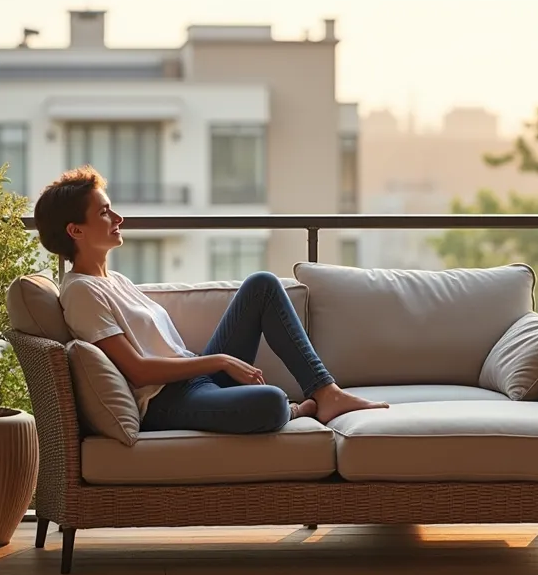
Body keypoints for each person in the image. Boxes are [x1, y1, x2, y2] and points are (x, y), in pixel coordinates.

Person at [32, 166, 388, 434]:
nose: (119, 218)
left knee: (262, 285)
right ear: (75, 231)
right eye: (104, 212)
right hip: (166, 402)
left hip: (195, 382)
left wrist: (212, 364)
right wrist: (220, 360)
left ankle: (326, 393)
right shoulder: (80, 291)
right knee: (271, 402)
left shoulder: (115, 281)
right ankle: (296, 411)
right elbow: (138, 370)